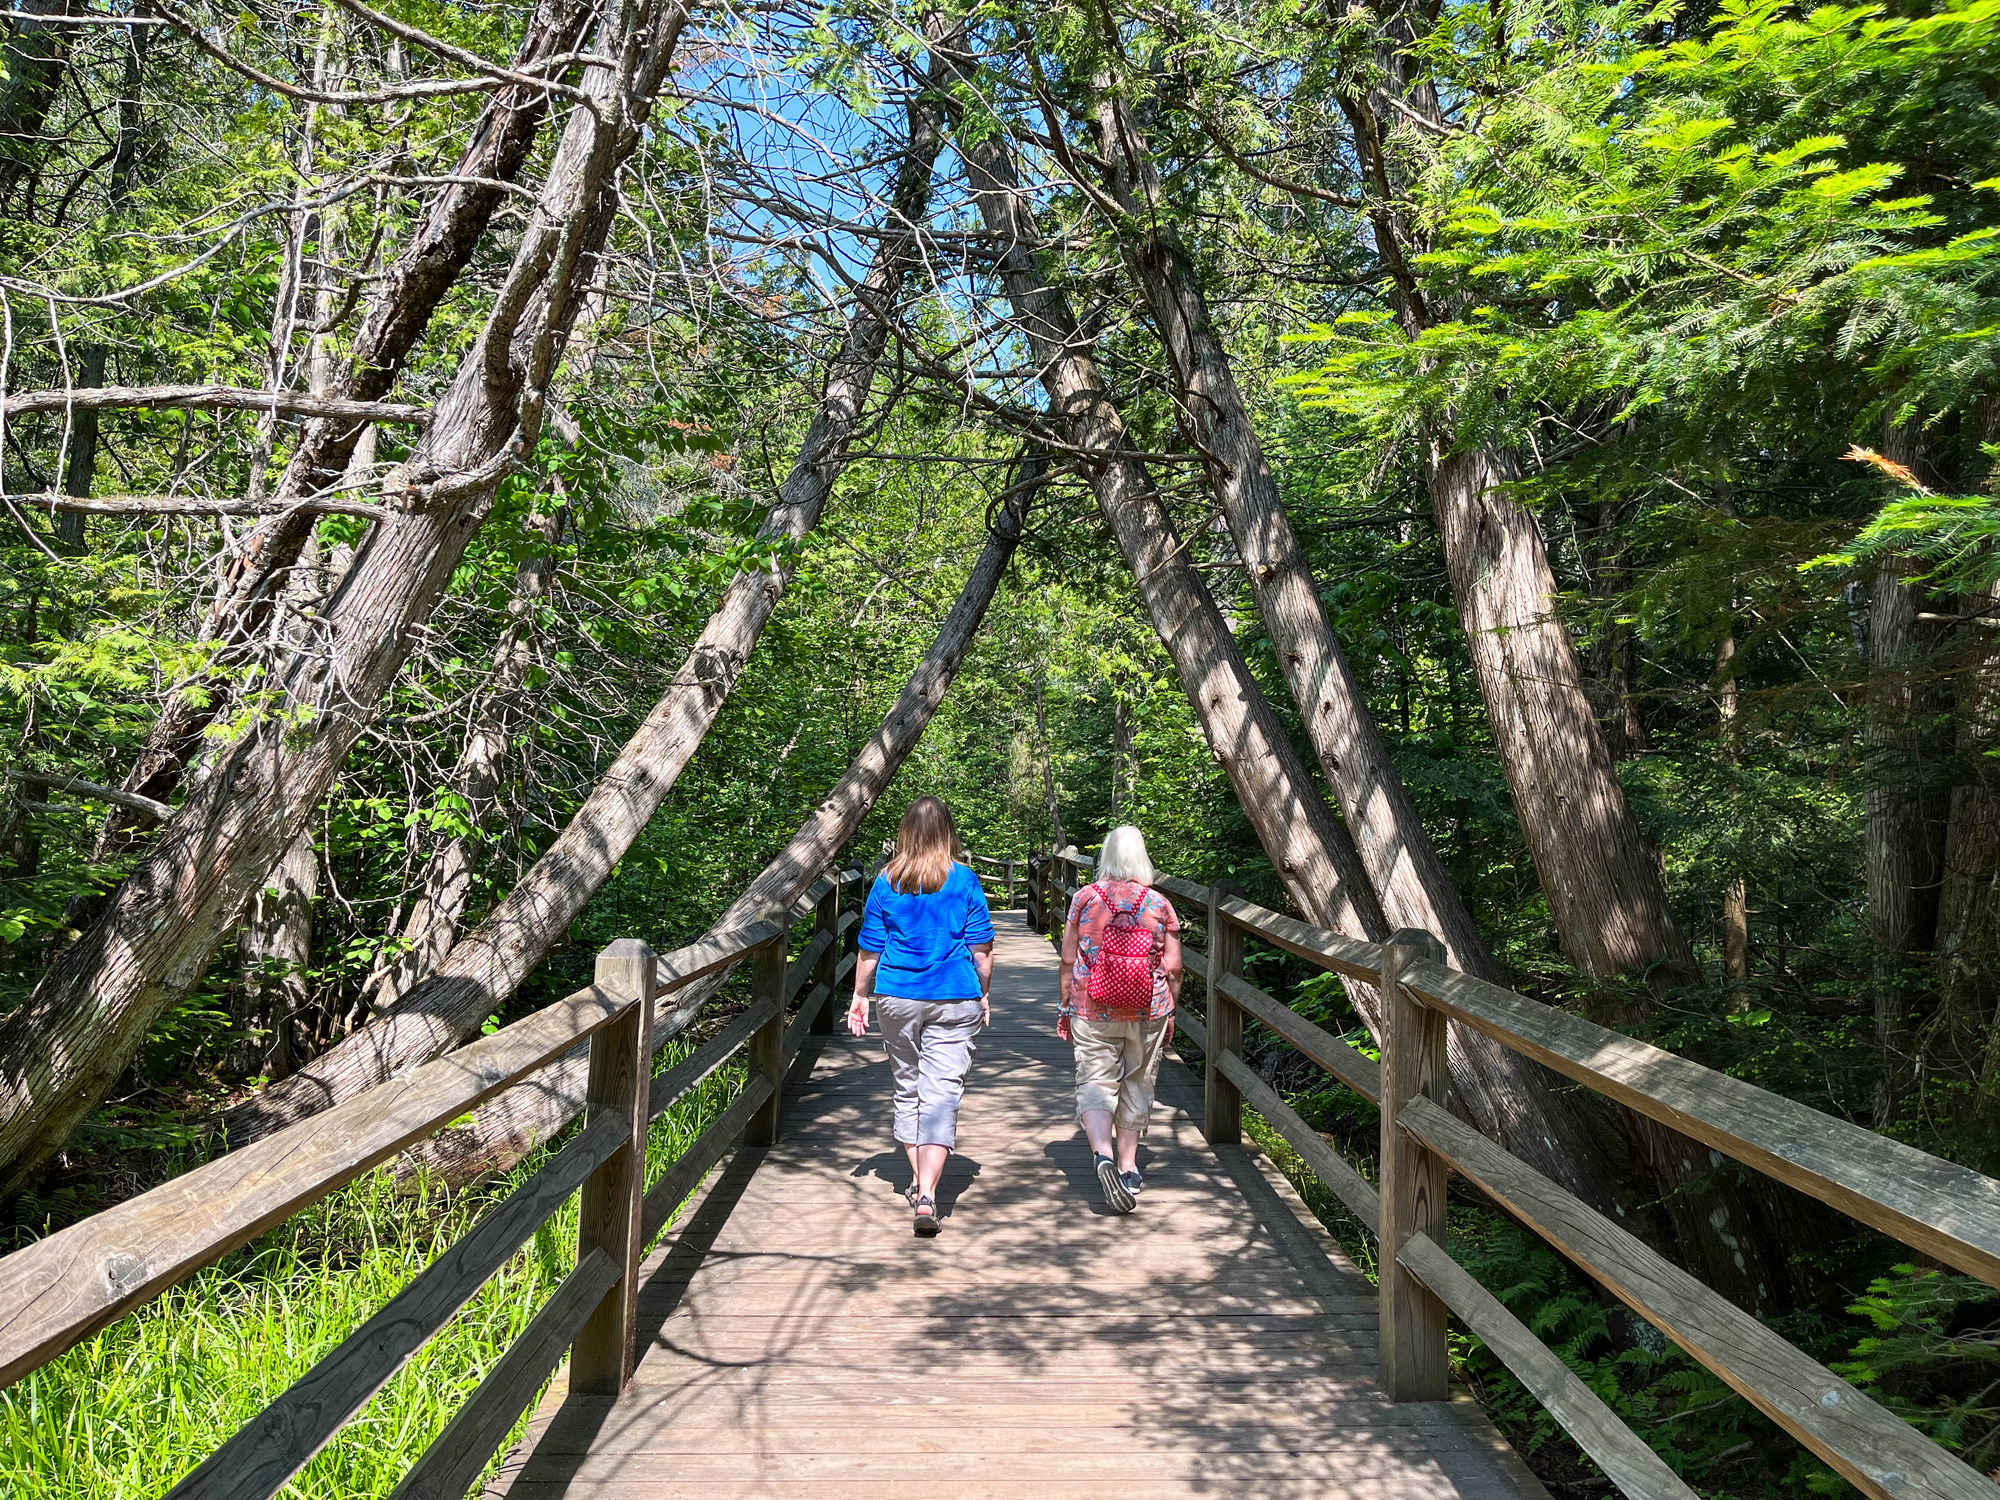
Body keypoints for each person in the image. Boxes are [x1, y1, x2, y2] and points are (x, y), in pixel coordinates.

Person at [847, 796, 995, 1237]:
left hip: (898, 996)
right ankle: (928, 1192)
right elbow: (981, 950)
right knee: (942, 1091)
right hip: (955, 996)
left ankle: (918, 1183)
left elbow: (870, 948)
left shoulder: (885, 881)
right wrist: (983, 993)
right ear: (948, 831)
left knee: (908, 1085)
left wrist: (859, 995)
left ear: (905, 832)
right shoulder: (965, 880)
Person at [1058, 825, 1182, 1214]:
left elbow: (1067, 958)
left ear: (1106, 856)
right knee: (1137, 1081)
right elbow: (1174, 967)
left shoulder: (1084, 898)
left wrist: (1065, 1004)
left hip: (1092, 1006)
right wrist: (1170, 1007)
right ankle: (1129, 1168)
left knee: (1095, 1079)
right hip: (1148, 1008)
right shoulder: (1159, 904)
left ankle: (1102, 1156)